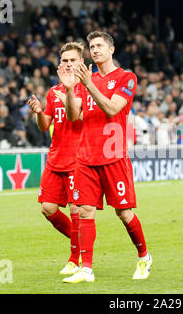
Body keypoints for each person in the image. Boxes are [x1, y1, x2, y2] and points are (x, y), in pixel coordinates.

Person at [61, 31, 151, 283]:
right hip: (86, 157)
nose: (95, 50)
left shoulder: (126, 77)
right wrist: (70, 90)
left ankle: (143, 256)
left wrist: (88, 84)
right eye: (91, 46)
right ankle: (86, 269)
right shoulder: (82, 81)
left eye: (100, 45)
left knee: (123, 213)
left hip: (113, 157)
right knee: (85, 210)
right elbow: (72, 117)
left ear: (111, 49)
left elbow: (112, 108)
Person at [27, 42, 86, 276]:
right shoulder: (53, 92)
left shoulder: (86, 89)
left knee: (75, 209)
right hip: (55, 158)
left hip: (78, 158)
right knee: (48, 209)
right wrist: (40, 113)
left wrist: (68, 100)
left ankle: (75, 258)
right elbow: (45, 127)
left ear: (81, 62)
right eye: (65, 61)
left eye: (73, 60)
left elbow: (81, 120)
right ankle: (82, 242)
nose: (69, 64)